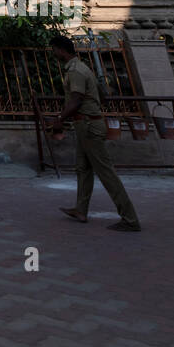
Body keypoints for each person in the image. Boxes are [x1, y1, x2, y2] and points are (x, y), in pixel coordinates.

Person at [47, 34, 141, 232]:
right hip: (87, 124)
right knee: (83, 168)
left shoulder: (75, 71)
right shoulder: (83, 67)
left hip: (88, 126)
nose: (53, 53)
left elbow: (76, 100)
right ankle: (81, 210)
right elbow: (102, 95)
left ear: (61, 50)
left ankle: (130, 219)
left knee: (106, 172)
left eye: (54, 49)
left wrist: (59, 119)